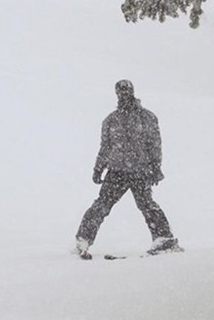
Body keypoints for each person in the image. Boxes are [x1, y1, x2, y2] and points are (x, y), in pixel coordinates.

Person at [75, 80, 181, 259]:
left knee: (146, 205)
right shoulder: (110, 120)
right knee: (102, 205)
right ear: (116, 93)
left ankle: (164, 239)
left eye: (126, 90)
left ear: (132, 91)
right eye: (120, 91)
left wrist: (156, 168)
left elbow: (155, 144)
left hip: (140, 170)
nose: (123, 93)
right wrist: (98, 168)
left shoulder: (146, 117)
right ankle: (83, 240)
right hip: (117, 171)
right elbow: (105, 147)